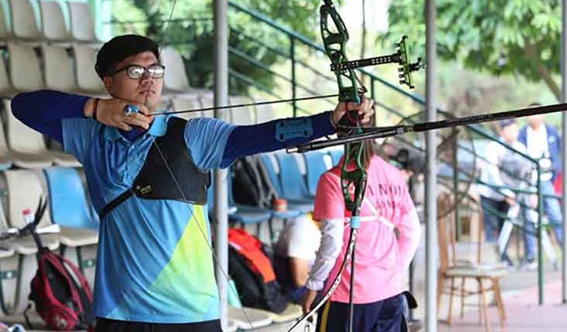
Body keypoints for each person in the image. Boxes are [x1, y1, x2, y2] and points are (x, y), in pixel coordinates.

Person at [10, 34, 374, 332]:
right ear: (109, 81)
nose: (149, 78)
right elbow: (23, 106)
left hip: (189, 313)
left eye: (155, 69)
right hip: (120, 311)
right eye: (135, 70)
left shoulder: (193, 135)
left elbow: (260, 136)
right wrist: (95, 108)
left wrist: (329, 122)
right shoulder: (89, 134)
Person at [300, 140, 421, 332]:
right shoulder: (393, 174)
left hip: (348, 297)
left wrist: (313, 286)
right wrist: (392, 273)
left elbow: (332, 242)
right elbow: (412, 232)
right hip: (391, 294)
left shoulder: (334, 179)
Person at [479, 119, 532, 266]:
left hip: (510, 195)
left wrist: (521, 192)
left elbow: (526, 170)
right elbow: (492, 174)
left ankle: (503, 255)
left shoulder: (520, 148)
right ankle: (492, 258)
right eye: (511, 130)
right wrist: (505, 192)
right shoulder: (493, 147)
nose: (514, 133)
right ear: (502, 131)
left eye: (516, 130)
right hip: (491, 194)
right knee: (491, 228)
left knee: (505, 226)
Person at [517, 106, 565, 267]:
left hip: (546, 179)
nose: (534, 117)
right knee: (529, 217)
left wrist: (554, 170)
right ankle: (530, 255)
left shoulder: (551, 132)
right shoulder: (522, 134)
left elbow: (558, 154)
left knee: (555, 215)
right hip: (529, 179)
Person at [273, 213, 321, 303]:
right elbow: (300, 281)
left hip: (312, 281)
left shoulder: (324, 228)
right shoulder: (302, 229)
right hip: (294, 290)